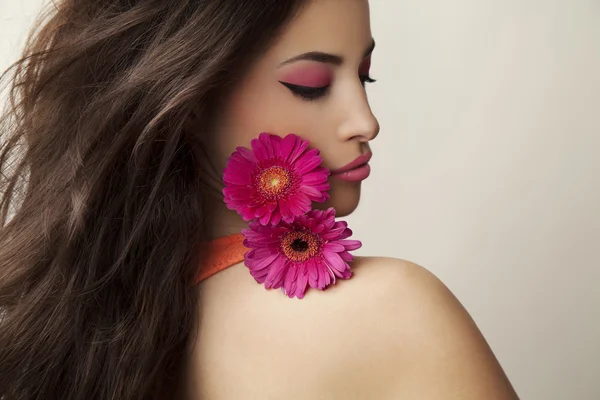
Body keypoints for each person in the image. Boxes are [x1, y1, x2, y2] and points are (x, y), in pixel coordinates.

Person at [0, 0, 520, 399]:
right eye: (311, 85)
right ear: (188, 100)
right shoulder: (392, 309)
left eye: (365, 75)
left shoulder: (78, 333)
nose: (366, 121)